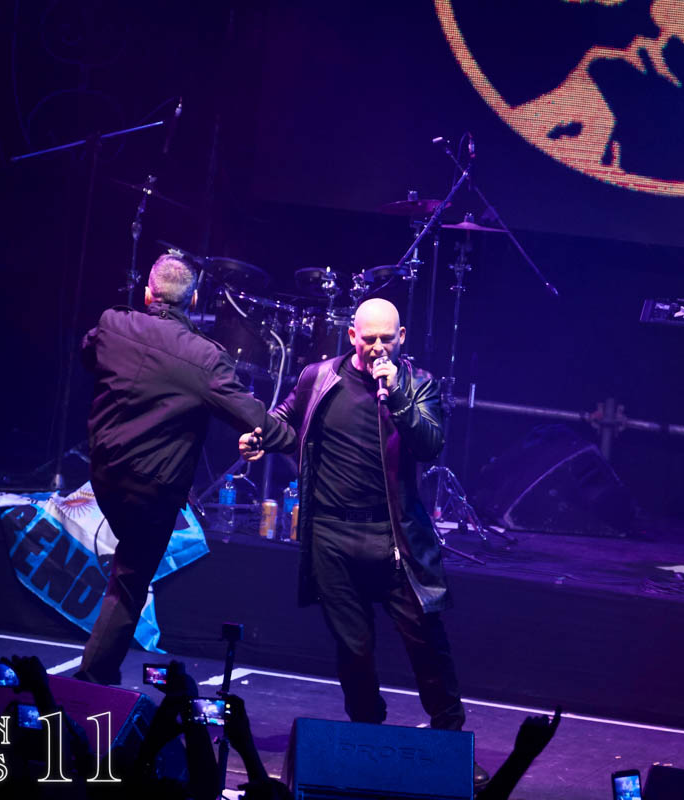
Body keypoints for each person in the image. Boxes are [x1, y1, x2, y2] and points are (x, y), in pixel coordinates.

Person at [238, 298, 486, 784]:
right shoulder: (318, 377)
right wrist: (260, 436)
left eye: (385, 339)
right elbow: (286, 419)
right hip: (332, 536)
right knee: (353, 650)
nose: (376, 347)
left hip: (394, 537)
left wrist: (397, 396)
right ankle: (368, 739)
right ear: (351, 335)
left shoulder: (418, 384)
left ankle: (453, 745)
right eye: (368, 338)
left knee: (427, 645)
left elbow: (429, 444)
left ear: (401, 338)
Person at [75, 253, 296, 685]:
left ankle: (99, 675)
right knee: (131, 577)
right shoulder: (204, 358)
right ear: (193, 300)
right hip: (151, 490)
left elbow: (89, 353)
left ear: (147, 293)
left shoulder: (112, 324)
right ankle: (93, 680)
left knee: (128, 567)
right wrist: (304, 441)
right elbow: (253, 417)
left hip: (104, 475)